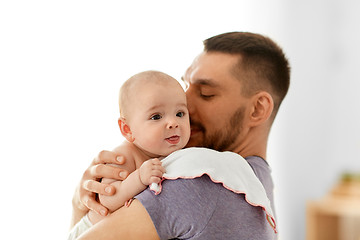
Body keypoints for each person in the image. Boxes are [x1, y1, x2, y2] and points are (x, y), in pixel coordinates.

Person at [71, 31, 291, 239]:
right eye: (186, 86)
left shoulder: (199, 178)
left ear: (257, 109)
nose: (185, 104)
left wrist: (80, 209)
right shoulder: (258, 182)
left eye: (206, 93)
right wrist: (81, 203)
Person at [68, 70, 191, 239]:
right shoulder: (124, 155)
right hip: (89, 230)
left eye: (180, 113)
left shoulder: (181, 155)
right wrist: (139, 178)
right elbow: (106, 198)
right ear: (127, 129)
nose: (173, 123)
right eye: (156, 117)